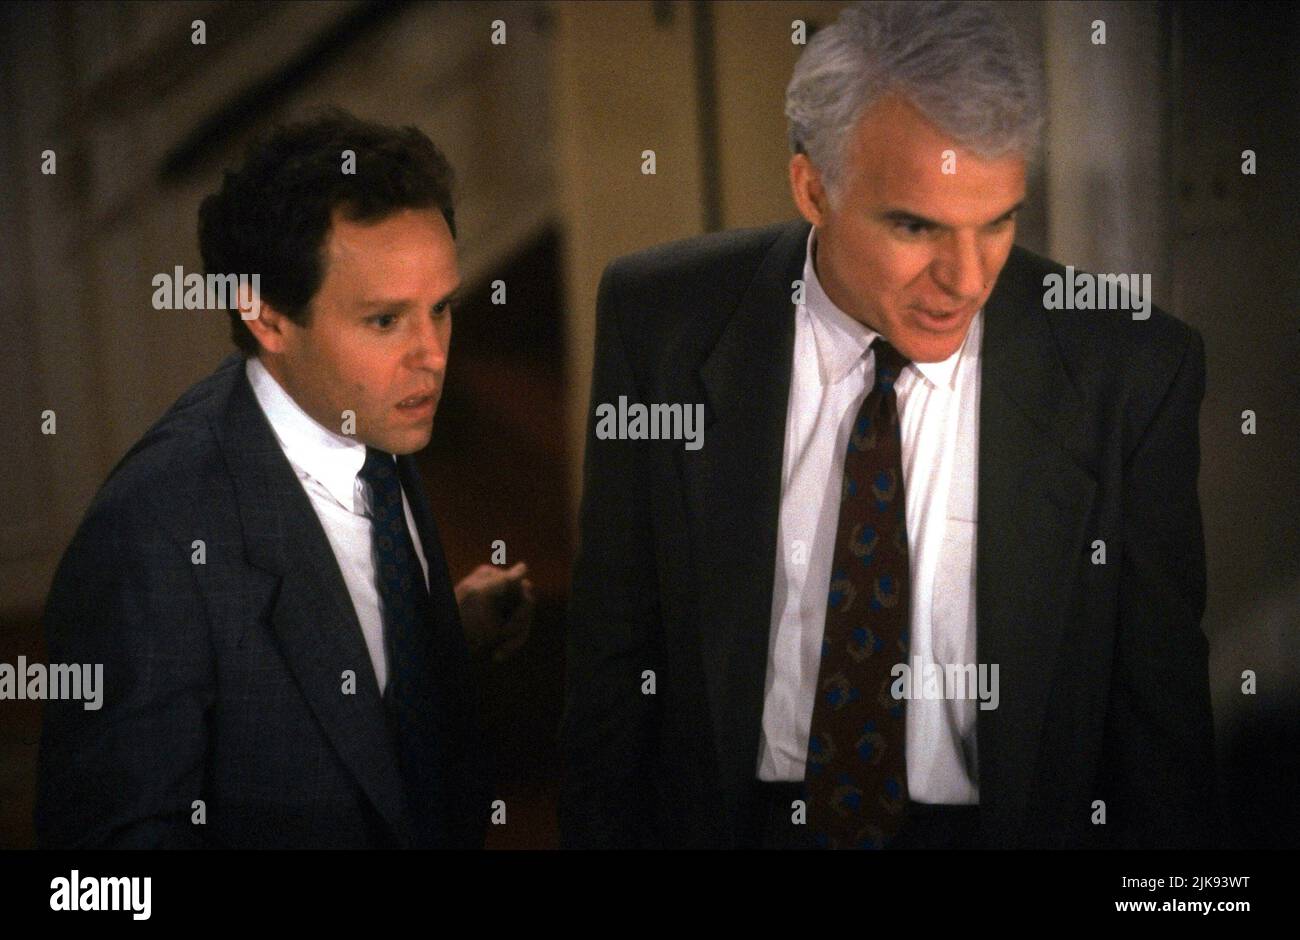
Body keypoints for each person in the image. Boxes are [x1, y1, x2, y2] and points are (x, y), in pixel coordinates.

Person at [560, 0, 1219, 850]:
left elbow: (1159, 724)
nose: (968, 278)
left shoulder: (1130, 368)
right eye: (916, 226)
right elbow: (615, 654)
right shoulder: (661, 320)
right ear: (813, 188)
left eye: (998, 222)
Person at [36, 110, 533, 849]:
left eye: (442, 308)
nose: (431, 354)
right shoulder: (153, 536)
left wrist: (438, 638)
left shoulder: (371, 419)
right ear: (266, 315)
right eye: (384, 321)